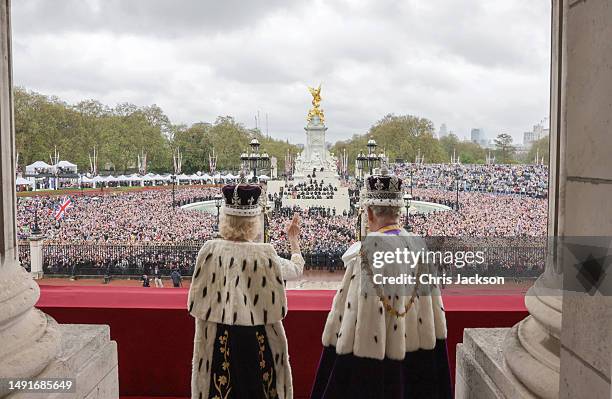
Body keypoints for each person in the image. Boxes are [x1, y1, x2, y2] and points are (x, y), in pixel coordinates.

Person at [310, 167, 451, 399]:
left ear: (370, 213)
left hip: (380, 365)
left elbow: (361, 323)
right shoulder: (418, 246)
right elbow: (434, 315)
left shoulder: (368, 253)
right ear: (398, 211)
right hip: (419, 359)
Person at [188, 182, 304, 399]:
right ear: (254, 222)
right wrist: (293, 240)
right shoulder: (265, 255)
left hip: (217, 338)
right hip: (257, 338)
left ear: (225, 219)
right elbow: (296, 269)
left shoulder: (209, 251)